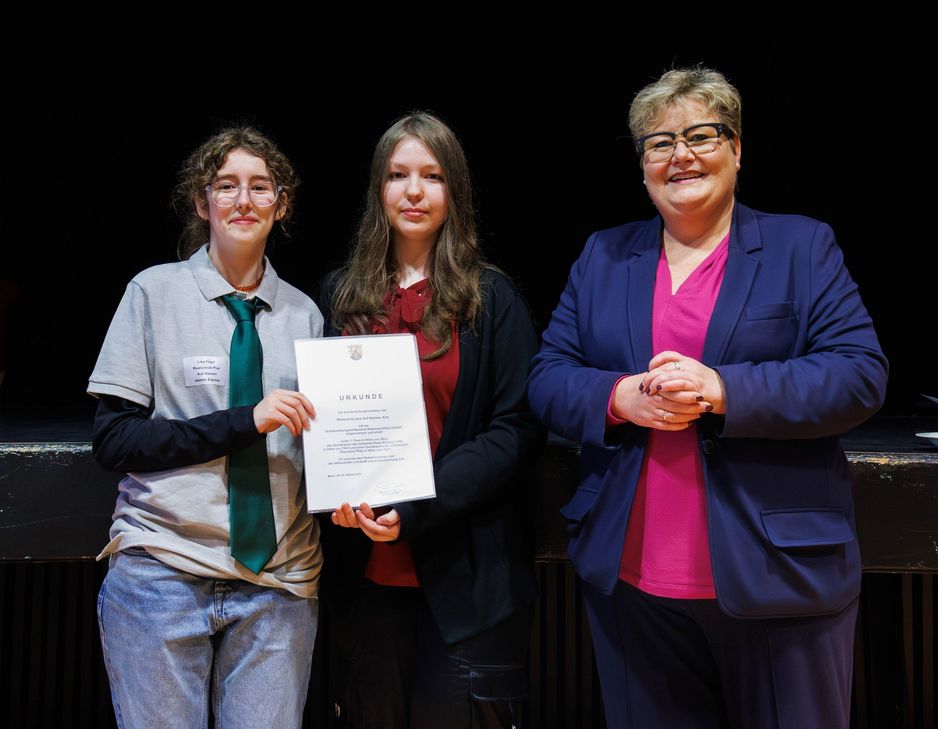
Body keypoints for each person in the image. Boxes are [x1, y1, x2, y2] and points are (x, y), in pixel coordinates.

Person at [526, 67, 888, 729]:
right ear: (641, 164)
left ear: (738, 147)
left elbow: (859, 374)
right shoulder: (602, 255)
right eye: (659, 143)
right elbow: (547, 375)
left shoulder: (801, 246)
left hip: (779, 581)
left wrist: (725, 388)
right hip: (632, 586)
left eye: (700, 135)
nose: (680, 155)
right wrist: (617, 395)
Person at [88, 126, 322, 728]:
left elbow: (323, 452)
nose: (244, 201)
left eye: (260, 187)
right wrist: (245, 420)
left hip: (278, 582)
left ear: (282, 204)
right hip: (163, 572)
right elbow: (116, 441)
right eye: (226, 186)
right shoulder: (152, 292)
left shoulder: (306, 315)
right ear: (202, 202)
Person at [319, 111, 544, 729]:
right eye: (397, 175)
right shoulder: (339, 296)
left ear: (456, 191)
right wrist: (334, 493)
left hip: (470, 584)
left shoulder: (491, 298)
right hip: (363, 578)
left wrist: (416, 506)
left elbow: (517, 428)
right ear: (378, 189)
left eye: (432, 176)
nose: (414, 191)